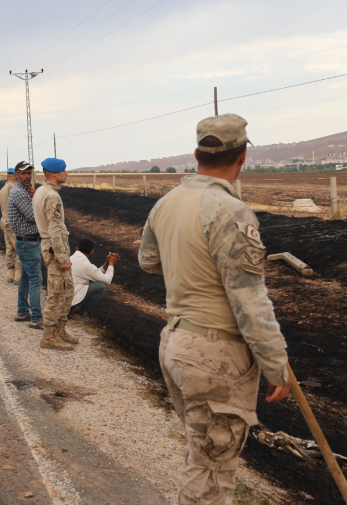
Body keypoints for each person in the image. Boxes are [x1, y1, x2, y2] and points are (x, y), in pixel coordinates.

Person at [138, 113, 291, 505]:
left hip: (175, 343)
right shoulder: (230, 211)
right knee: (211, 473)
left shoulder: (165, 203)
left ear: (195, 154)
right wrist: (276, 365)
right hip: (215, 356)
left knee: (200, 455)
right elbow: (249, 298)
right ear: (243, 158)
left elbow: (148, 262)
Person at [32, 157, 77, 350]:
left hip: (52, 245)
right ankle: (49, 337)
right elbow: (54, 229)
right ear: (54, 174)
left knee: (66, 291)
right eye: (64, 171)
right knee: (57, 293)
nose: (66, 174)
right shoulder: (51, 196)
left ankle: (59, 330)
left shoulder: (42, 191)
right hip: (54, 247)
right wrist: (62, 258)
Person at [7, 161, 43, 329]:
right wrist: (38, 200)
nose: (27, 176)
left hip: (25, 242)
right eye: (24, 173)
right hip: (28, 243)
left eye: (29, 173)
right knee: (36, 278)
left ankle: (22, 311)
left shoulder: (23, 191)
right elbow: (32, 215)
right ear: (16, 174)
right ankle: (36, 317)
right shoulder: (20, 194)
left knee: (26, 277)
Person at [68, 238, 118, 322]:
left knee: (92, 281)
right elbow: (107, 280)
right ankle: (79, 313)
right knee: (101, 286)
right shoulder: (86, 265)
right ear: (92, 252)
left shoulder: (71, 258)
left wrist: (107, 263)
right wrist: (111, 264)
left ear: (77, 248)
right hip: (71, 305)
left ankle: (74, 311)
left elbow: (94, 273)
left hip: (63, 300)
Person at [0, 168, 21, 284]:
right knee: (19, 248)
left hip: (4, 221)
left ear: (7, 177)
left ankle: (11, 275)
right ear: (16, 176)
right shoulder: (13, 188)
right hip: (12, 222)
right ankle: (18, 276)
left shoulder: (2, 189)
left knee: (10, 248)